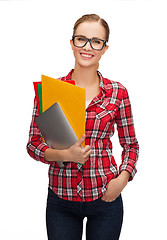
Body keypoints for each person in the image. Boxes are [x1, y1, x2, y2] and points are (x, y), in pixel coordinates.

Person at [27, 14, 139, 240]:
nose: (87, 47)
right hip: (61, 199)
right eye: (81, 39)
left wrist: (122, 180)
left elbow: (131, 145)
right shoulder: (50, 91)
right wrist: (65, 154)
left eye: (96, 41)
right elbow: (33, 144)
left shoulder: (118, 93)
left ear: (104, 48)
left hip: (105, 197)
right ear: (71, 43)